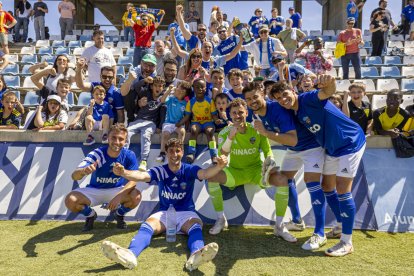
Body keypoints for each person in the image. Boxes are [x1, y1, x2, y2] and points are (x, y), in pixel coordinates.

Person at [271, 75, 367, 257]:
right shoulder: (295, 113)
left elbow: (327, 92)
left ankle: (347, 242)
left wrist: (330, 83)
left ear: (293, 90)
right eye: (279, 99)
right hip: (331, 148)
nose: (284, 100)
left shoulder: (307, 98)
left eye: (285, 94)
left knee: (342, 189)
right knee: (326, 186)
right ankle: (340, 225)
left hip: (350, 142)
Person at [101, 138, 228, 271]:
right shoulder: (161, 170)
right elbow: (142, 176)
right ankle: (130, 254)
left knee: (196, 226)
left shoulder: (189, 169)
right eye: (171, 151)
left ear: (183, 152)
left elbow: (206, 173)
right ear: (166, 153)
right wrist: (123, 172)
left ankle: (196, 256)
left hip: (186, 213)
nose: (174, 155)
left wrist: (219, 166)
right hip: (165, 213)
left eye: (177, 151)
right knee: (147, 225)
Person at [66, 124, 141, 231]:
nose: (117, 142)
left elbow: (134, 180)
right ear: (108, 138)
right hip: (94, 190)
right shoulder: (98, 153)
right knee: (71, 200)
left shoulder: (129, 155)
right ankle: (90, 215)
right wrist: (83, 171)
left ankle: (119, 214)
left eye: (121, 139)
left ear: (125, 141)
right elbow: (74, 176)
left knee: (136, 196)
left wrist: (119, 197)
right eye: (113, 138)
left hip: (116, 190)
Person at [126, 76, 166, 171]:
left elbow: (164, 111)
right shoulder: (146, 93)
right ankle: (123, 154)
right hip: (138, 121)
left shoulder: (163, 98)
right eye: (156, 85)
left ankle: (144, 160)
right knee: (126, 132)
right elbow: (135, 87)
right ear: (152, 87)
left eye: (160, 86)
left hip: (150, 123)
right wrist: (144, 80)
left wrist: (160, 127)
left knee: (146, 136)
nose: (158, 88)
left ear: (163, 87)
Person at [176, 78, 218, 164]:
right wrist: (180, 123)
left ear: (205, 88)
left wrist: (216, 120)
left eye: (202, 87)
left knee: (209, 131)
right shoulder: (191, 102)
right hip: (196, 123)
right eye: (197, 87)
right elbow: (187, 116)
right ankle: (191, 153)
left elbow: (214, 114)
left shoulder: (209, 101)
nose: (200, 89)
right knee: (194, 130)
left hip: (208, 122)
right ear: (193, 89)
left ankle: (214, 154)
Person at [156, 81, 191, 163]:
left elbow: (187, 116)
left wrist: (186, 126)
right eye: (177, 89)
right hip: (168, 122)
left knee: (182, 132)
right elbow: (162, 100)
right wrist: (168, 90)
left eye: (181, 91)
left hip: (179, 123)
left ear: (184, 93)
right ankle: (162, 153)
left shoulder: (186, 103)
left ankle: (179, 150)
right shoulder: (171, 99)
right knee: (165, 135)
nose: (177, 91)